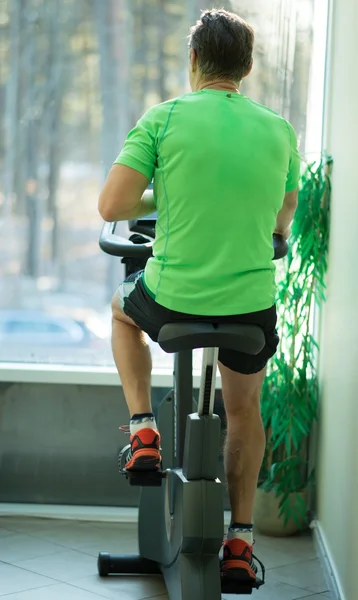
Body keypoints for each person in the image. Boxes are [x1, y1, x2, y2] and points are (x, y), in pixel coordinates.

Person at [98, 8, 300, 584]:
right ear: (248, 67)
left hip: (171, 300)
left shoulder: (162, 119)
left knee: (120, 312)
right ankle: (240, 541)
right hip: (249, 308)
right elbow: (282, 220)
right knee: (243, 411)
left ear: (193, 61)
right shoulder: (279, 130)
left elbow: (112, 206)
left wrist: (163, 198)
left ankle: (143, 430)